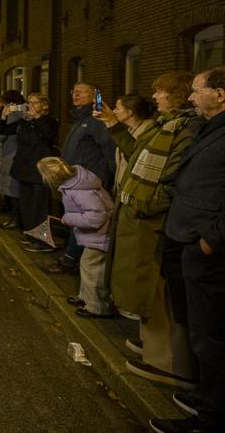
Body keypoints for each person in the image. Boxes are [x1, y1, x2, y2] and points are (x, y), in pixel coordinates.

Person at [96, 72, 201, 391]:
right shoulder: (163, 125)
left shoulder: (185, 130)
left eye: (161, 92)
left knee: (157, 287)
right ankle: (153, 344)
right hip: (141, 216)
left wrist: (147, 203)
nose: (154, 97)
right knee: (148, 288)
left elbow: (176, 179)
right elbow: (135, 153)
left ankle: (167, 361)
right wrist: (113, 125)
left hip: (154, 220)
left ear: (178, 95)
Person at [150, 67, 225, 433]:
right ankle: (209, 397)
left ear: (220, 94)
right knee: (201, 330)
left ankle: (211, 418)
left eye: (197, 90)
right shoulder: (208, 127)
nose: (191, 97)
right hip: (188, 237)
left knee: (212, 335)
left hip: (208, 248)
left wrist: (210, 240)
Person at [48, 82, 117, 275]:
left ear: (94, 95)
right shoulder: (80, 119)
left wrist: (108, 179)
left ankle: (71, 260)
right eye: (74, 91)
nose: (75, 95)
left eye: (81, 92)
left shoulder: (96, 120)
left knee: (83, 222)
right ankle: (72, 258)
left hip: (88, 182)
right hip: (76, 182)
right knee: (76, 220)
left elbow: (109, 150)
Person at [37, 157, 115, 318]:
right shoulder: (78, 183)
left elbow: (95, 218)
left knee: (92, 269)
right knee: (87, 266)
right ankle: (86, 298)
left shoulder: (79, 190)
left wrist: (69, 218)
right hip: (97, 235)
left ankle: (97, 307)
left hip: (100, 236)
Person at [0, 93, 58, 251]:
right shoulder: (25, 121)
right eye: (29, 102)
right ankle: (31, 236)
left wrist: (36, 118)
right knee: (27, 205)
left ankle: (44, 242)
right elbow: (4, 130)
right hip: (24, 169)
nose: (30, 105)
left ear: (44, 106)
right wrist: (3, 116)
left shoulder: (49, 121)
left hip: (39, 171)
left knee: (40, 208)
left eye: (34, 102)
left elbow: (48, 134)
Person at [0, 90, 25, 229]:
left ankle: (15, 219)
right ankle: (17, 218)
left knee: (12, 189)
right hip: (19, 154)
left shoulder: (11, 116)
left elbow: (0, 136)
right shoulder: (25, 114)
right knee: (16, 188)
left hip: (10, 154)